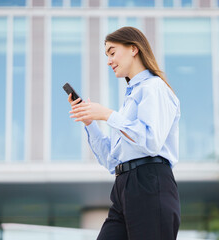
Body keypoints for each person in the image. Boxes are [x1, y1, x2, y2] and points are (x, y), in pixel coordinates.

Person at [68, 26, 180, 240]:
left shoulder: (153, 87)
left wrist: (108, 115)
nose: (109, 61)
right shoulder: (129, 101)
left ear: (133, 49)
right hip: (124, 185)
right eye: (107, 56)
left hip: (150, 181)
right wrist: (90, 121)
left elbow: (151, 141)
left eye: (112, 52)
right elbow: (112, 161)